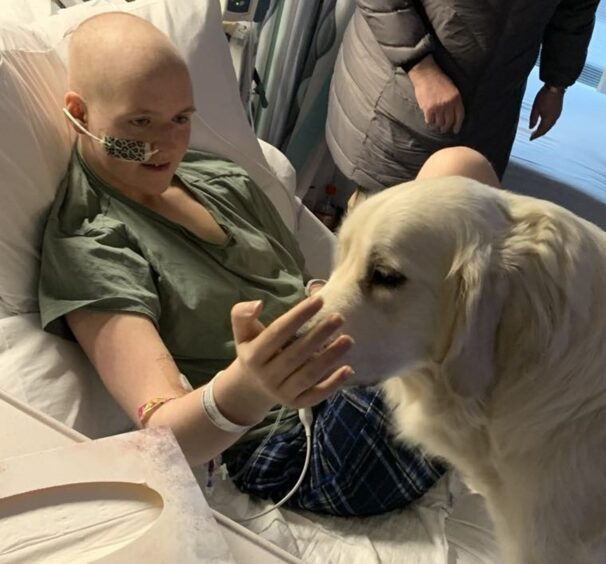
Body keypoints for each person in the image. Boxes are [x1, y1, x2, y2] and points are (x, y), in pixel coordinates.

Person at [38, 13, 496, 517]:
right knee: (474, 332)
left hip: (345, 361)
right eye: (139, 123)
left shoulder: (218, 178)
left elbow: (298, 282)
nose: (167, 145)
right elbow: (164, 430)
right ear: (79, 112)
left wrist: (342, 298)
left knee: (460, 168)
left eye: (181, 118)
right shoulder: (92, 244)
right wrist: (250, 388)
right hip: (299, 442)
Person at [326, 0, 600, 208]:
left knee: (448, 218)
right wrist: (421, 69)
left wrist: (556, 84)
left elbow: (575, 13)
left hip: (492, 99)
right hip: (404, 82)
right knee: (379, 216)